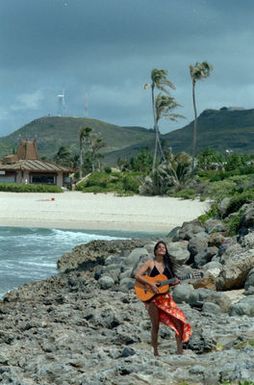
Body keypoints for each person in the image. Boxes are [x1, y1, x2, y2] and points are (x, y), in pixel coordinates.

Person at [135, 240, 192, 356]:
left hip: (166, 299)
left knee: (179, 320)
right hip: (152, 299)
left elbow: (168, 283)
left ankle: (179, 350)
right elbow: (137, 275)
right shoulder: (150, 263)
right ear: (155, 250)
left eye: (164, 247)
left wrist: (175, 282)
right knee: (155, 325)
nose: (162, 249)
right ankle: (155, 352)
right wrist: (151, 284)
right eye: (159, 247)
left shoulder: (168, 266)